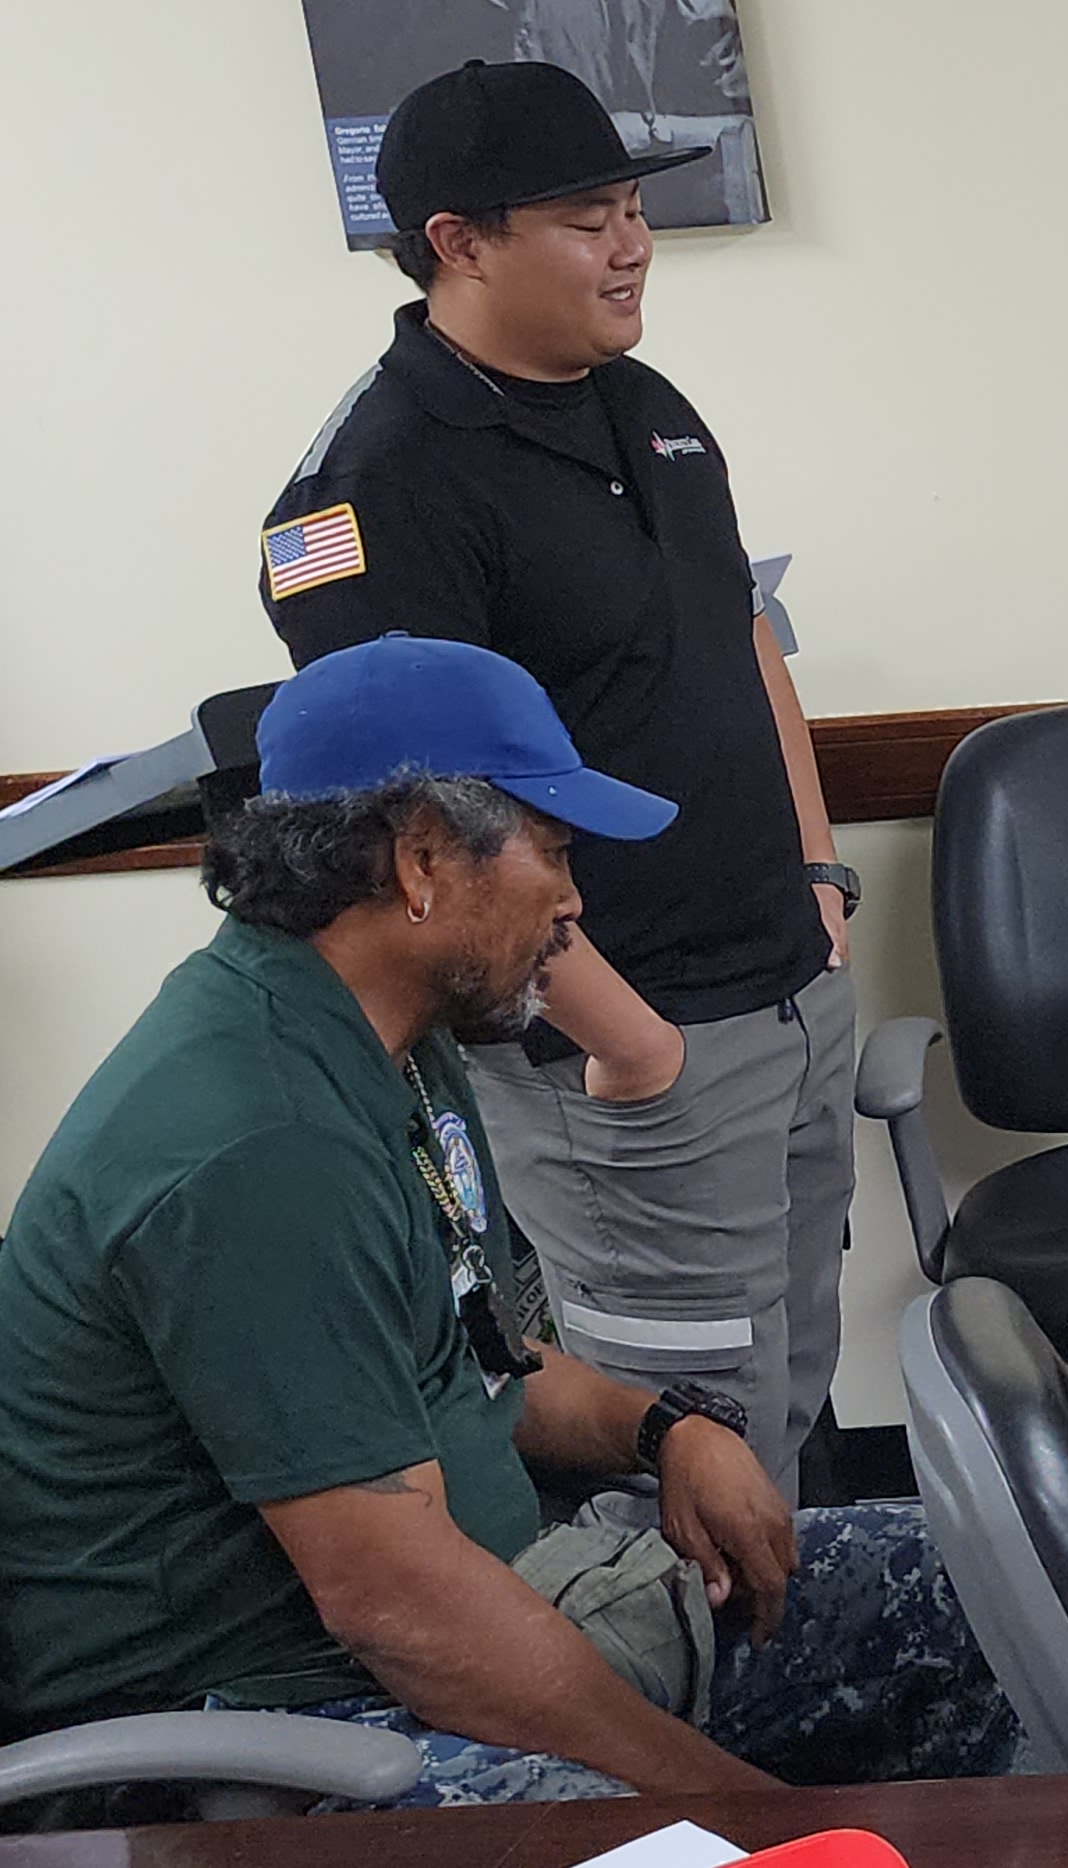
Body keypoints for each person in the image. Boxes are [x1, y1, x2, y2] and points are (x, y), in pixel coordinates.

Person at [0, 638, 1011, 1813]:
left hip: (466, 1609)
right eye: (555, 850)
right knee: (668, 1832)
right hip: (253, 1729)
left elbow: (480, 1354)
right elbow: (398, 1608)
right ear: (422, 859)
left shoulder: (389, 1038)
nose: (574, 900)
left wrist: (668, 1430)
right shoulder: (255, 1141)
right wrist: (739, 1816)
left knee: (962, 1582)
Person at [258, 59, 854, 1498]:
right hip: (627, 1050)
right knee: (689, 1462)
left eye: (635, 209)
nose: (634, 245)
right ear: (459, 243)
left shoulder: (645, 403)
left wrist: (821, 878)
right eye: (589, 220)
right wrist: (632, 1046)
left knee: (792, 1397)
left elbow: (744, 635)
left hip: (790, 987)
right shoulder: (376, 484)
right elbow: (426, 825)